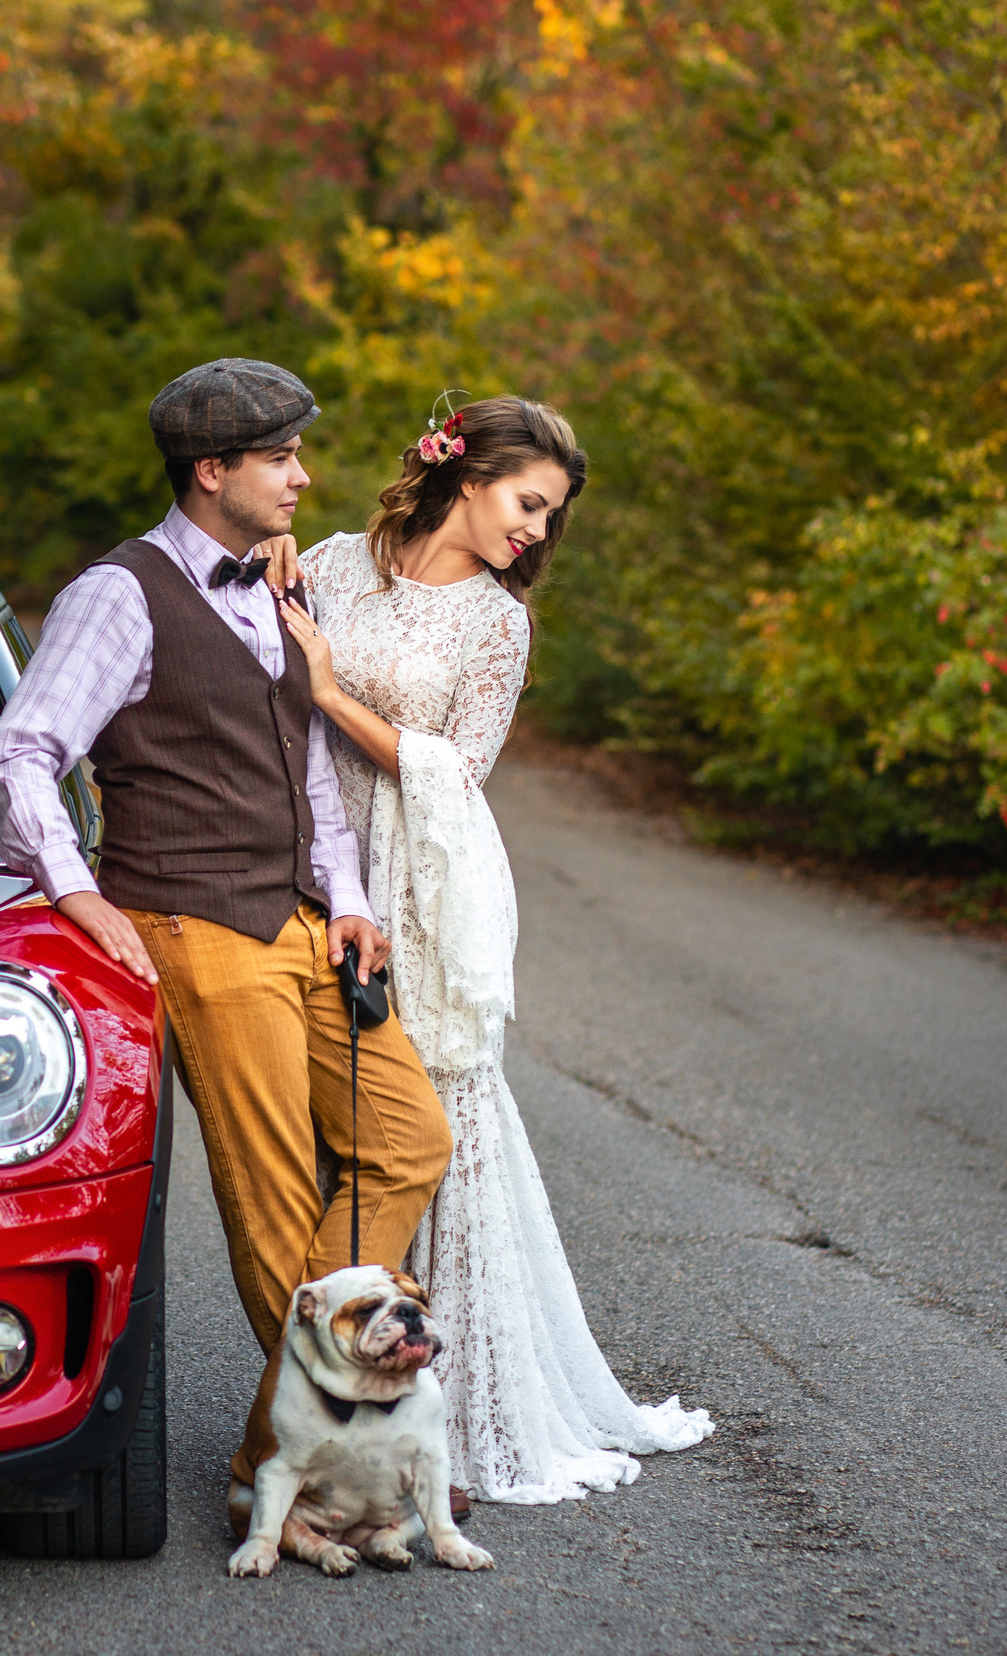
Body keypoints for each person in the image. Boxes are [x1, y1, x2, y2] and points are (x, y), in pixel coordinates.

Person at [0, 357, 458, 1514]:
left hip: (301, 918)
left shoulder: (282, 587)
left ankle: (270, 1461)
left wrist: (344, 896)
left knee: (407, 1141)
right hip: (192, 923)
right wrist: (75, 892)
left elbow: (306, 767)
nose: (304, 476)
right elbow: (17, 757)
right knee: (277, 1197)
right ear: (212, 471)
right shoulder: (119, 593)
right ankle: (346, 1459)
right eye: (281, 458)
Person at [264, 394, 715, 1502]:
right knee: (339, 1125)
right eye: (528, 503)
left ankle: (456, 1412)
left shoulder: (495, 624)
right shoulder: (331, 560)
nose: (535, 533)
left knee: (432, 1121)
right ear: (464, 479)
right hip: (312, 860)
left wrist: (328, 688)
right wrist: (261, 545)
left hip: (420, 878)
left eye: (550, 518)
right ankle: (340, 1396)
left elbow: (455, 774)